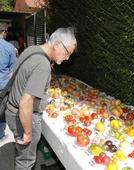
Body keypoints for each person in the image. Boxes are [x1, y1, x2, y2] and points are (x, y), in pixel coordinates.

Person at [5, 27, 77, 170]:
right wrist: (28, 132)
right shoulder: (43, 65)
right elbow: (26, 102)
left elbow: (11, 75)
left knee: (24, 156)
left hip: (12, 110)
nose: (67, 58)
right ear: (57, 45)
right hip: (24, 117)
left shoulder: (31, 49)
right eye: (67, 53)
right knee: (25, 160)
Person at [0, 22, 16, 140]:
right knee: (1, 112)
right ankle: (0, 135)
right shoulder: (9, 47)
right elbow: (12, 72)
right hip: (3, 86)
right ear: (4, 32)